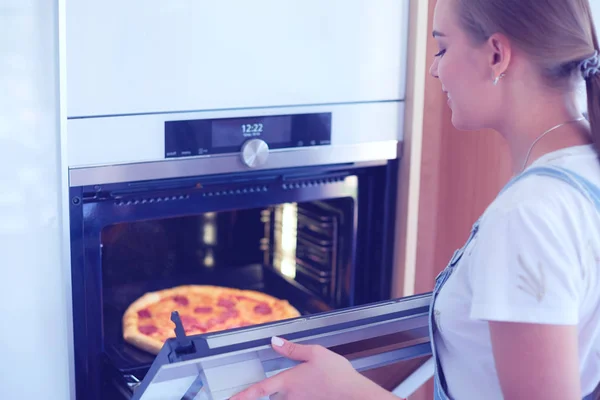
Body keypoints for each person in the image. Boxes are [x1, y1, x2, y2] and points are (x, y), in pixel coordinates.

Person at [231, 0, 600, 398]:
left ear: (496, 55)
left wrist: (345, 390)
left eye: (442, 48)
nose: (433, 68)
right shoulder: (583, 169)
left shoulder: (528, 215)